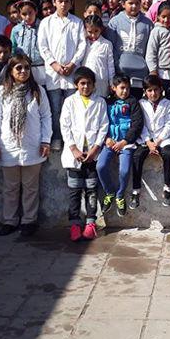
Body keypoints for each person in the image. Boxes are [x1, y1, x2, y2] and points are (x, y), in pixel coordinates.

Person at [0, 54, 52, 238]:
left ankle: (29, 221)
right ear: (11, 70)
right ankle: (10, 220)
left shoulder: (38, 91)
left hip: (32, 146)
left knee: (31, 187)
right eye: (18, 68)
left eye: (26, 68)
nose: (23, 71)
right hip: (8, 146)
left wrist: (46, 140)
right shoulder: (1, 92)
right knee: (10, 187)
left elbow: (46, 117)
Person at [59, 67, 108, 241]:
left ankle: (90, 223)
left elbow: (103, 126)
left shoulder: (100, 102)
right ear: (76, 85)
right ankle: (74, 224)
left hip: (92, 155)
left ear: (94, 85)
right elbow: (65, 126)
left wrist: (95, 148)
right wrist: (73, 149)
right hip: (75, 155)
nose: (85, 87)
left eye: (89, 83)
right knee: (74, 191)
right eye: (82, 83)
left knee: (92, 190)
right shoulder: (70, 102)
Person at [38, 0, 87, 150]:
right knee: (55, 109)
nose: (63, 4)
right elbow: (43, 46)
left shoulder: (77, 22)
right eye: (60, 1)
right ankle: (57, 138)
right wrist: (54, 64)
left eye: (66, 1)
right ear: (54, 2)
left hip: (72, 72)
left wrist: (73, 63)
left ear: (71, 3)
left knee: (72, 108)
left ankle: (71, 141)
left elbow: (82, 45)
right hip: (53, 73)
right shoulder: (46, 22)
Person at [96, 75, 143, 217]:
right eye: (122, 88)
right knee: (101, 166)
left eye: (128, 88)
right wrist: (106, 138)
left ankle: (120, 195)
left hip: (126, 144)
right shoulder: (106, 102)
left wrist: (125, 141)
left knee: (124, 170)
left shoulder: (133, 102)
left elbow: (137, 124)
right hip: (110, 142)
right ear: (113, 88)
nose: (125, 91)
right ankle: (109, 192)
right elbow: (101, 122)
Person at [133, 76, 170, 207]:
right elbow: (141, 125)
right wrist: (148, 142)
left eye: (156, 90)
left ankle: (167, 188)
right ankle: (136, 191)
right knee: (137, 156)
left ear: (161, 90)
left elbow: (169, 125)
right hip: (146, 139)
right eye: (150, 90)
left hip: (162, 138)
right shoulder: (141, 103)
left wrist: (157, 141)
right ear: (145, 91)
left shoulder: (167, 103)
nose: (153, 93)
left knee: (168, 154)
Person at [108, 0, 154, 99]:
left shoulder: (147, 23)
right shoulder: (115, 22)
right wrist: (116, 65)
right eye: (130, 3)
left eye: (137, 3)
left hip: (140, 73)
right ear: (123, 4)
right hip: (121, 72)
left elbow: (150, 48)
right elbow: (110, 46)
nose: (134, 6)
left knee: (136, 104)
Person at [147, 1, 170, 129]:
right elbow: (151, 53)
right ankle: (159, 129)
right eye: (163, 17)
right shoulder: (156, 31)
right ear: (158, 16)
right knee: (161, 103)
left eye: (169, 17)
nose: (166, 20)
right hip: (161, 73)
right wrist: (153, 71)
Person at [10, 0, 46, 88]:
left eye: (30, 13)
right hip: (23, 70)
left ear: (36, 11)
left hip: (41, 67)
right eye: (24, 14)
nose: (28, 17)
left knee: (42, 93)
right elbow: (13, 48)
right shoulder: (16, 29)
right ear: (20, 14)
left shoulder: (44, 27)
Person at [80, 15, 115, 99]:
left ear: (101, 29)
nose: (93, 35)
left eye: (96, 31)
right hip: (85, 82)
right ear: (85, 30)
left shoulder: (107, 44)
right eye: (90, 31)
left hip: (101, 81)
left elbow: (110, 66)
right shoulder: (82, 43)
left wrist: (111, 83)